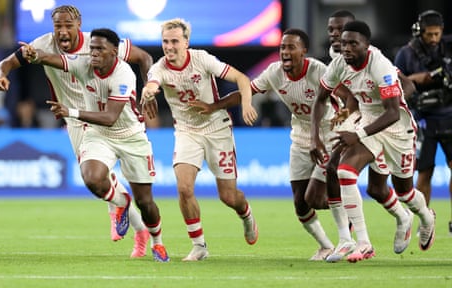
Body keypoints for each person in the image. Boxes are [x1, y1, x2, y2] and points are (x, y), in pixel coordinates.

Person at [0, 5, 150, 257]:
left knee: (99, 177)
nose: (63, 31)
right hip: (75, 120)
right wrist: (2, 75)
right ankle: (134, 224)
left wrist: (148, 89)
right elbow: (7, 63)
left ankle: (126, 216)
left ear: (79, 24)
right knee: (99, 180)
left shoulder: (96, 43)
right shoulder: (41, 44)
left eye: (68, 25)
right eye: (58, 26)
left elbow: (143, 57)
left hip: (104, 114)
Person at [189, 28, 339, 260]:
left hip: (327, 135)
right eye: (282, 48)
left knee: (315, 198)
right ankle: (326, 246)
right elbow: (246, 91)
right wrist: (214, 106)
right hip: (299, 136)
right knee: (300, 203)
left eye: (291, 47)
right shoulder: (274, 72)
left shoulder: (320, 71)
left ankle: (347, 209)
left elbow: (345, 94)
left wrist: (350, 113)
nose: (285, 52)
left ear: (304, 51)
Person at [21, 28, 169, 262]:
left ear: (115, 52)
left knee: (146, 202)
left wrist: (70, 111)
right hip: (99, 134)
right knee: (91, 177)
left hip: (130, 136)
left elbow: (110, 117)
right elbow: (54, 59)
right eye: (92, 49)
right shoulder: (83, 63)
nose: (94, 53)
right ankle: (120, 201)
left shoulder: (123, 74)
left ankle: (157, 242)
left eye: (100, 49)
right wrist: (34, 55)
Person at [310, 20, 436, 263]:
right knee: (345, 172)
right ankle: (363, 243)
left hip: (397, 129)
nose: (346, 48)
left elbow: (391, 112)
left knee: (405, 192)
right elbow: (320, 98)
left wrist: (357, 134)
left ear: (367, 46)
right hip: (368, 123)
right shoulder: (338, 64)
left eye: (352, 44)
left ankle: (426, 217)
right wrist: (315, 138)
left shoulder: (381, 66)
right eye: (343, 43)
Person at [140, 18, 259, 261]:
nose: (169, 46)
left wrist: (246, 103)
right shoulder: (159, 68)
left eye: (174, 41)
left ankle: (246, 214)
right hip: (187, 132)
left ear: (186, 42)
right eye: (165, 41)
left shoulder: (202, 58)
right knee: (184, 188)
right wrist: (148, 93)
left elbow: (242, 79)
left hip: (217, 129)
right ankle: (199, 245)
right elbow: (151, 84)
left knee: (228, 196)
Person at [394, 10, 452, 233]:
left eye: (437, 34)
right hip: (423, 121)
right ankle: (424, 221)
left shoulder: (449, 48)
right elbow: (397, 84)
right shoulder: (406, 54)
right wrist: (425, 78)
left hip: (449, 116)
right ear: (420, 31)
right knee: (424, 172)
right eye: (429, 34)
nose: (433, 39)